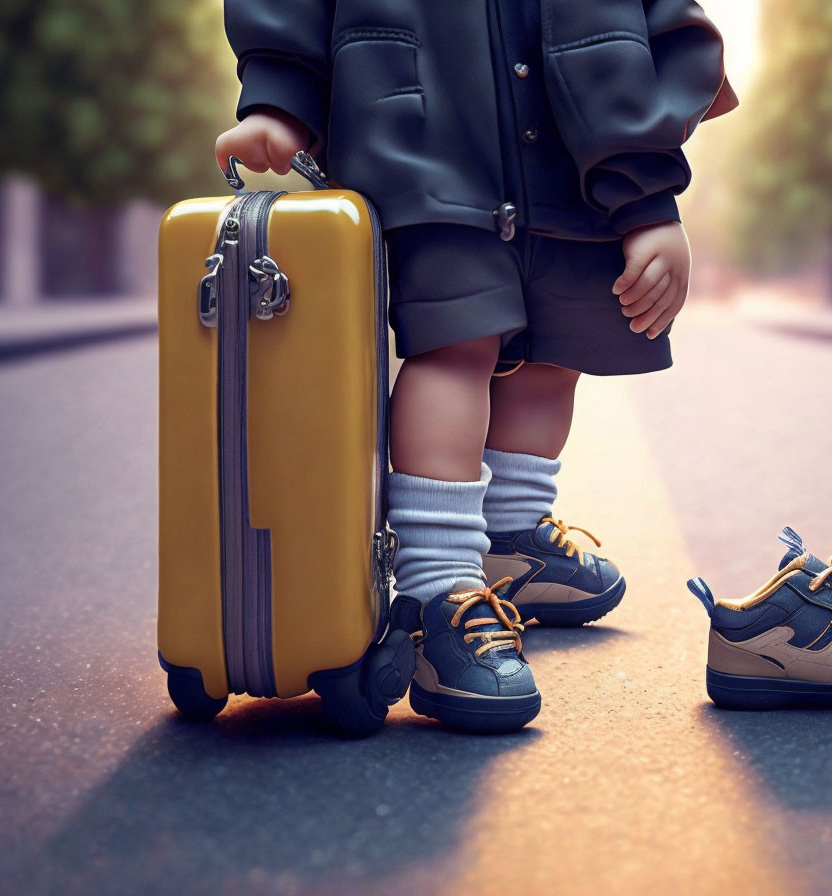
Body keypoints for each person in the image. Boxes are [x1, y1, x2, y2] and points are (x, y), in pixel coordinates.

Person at [215, 0, 739, 733]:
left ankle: (510, 538)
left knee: (556, 357)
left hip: (578, 163)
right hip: (430, 153)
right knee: (454, 346)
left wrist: (649, 201)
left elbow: (665, 25)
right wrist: (280, 101)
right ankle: (438, 593)